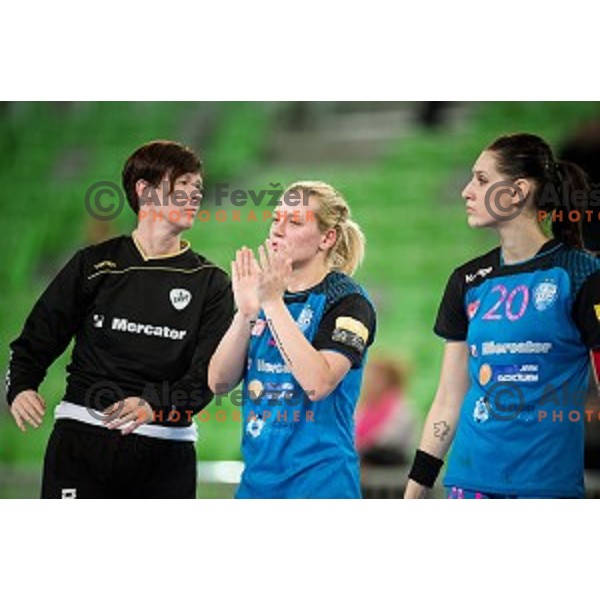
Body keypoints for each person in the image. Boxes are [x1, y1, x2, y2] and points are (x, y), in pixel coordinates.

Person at [6, 140, 234, 498]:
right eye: (183, 185)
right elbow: (37, 336)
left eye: (198, 188)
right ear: (144, 190)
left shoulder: (212, 283)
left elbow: (208, 378)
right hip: (81, 440)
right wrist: (21, 384)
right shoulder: (93, 264)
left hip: (166, 450)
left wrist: (154, 404)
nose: (194, 196)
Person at [404, 133, 600, 499]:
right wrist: (415, 489)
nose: (466, 191)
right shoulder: (466, 280)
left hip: (546, 489)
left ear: (518, 190)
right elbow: (449, 396)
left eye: (481, 180)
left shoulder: (583, 275)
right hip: (468, 484)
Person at [208, 181, 377, 498]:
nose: (278, 229)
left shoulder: (347, 301)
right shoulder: (264, 297)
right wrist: (246, 313)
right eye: (276, 218)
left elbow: (318, 383)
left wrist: (272, 303)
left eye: (295, 221)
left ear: (327, 238)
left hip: (319, 486)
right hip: (256, 485)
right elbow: (217, 383)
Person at [355, 355, 417, 466]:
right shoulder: (364, 407)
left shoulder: (401, 408)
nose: (370, 381)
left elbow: (388, 440)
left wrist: (361, 445)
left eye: (377, 378)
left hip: (389, 468)